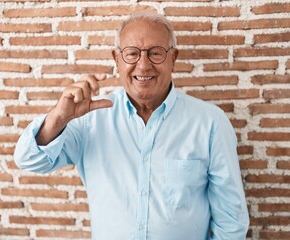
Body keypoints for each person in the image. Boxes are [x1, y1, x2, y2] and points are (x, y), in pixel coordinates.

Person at [14, 11, 249, 240]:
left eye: (156, 53)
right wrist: (59, 118)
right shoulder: (88, 119)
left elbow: (231, 218)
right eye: (132, 53)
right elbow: (28, 160)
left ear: (173, 58)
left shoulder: (210, 123)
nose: (143, 65)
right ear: (117, 59)